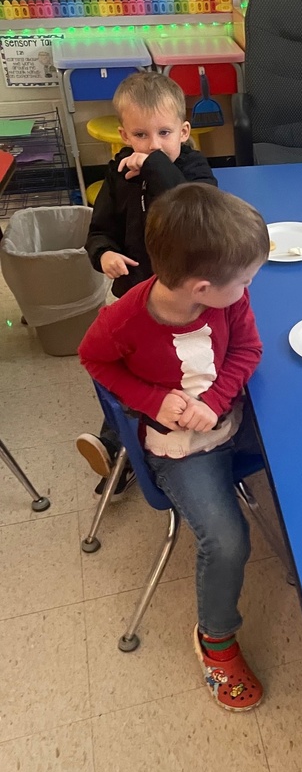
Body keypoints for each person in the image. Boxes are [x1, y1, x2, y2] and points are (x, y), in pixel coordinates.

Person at [79, 183, 270, 711]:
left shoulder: (227, 299)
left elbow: (249, 348)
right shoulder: (122, 321)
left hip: (230, 415)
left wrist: (215, 396)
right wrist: (151, 399)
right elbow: (95, 362)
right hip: (180, 448)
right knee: (227, 541)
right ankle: (216, 640)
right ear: (203, 287)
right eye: (247, 279)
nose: (251, 286)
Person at [76, 70, 218, 495]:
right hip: (138, 295)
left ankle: (161, 437)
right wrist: (104, 253)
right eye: (140, 135)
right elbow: (98, 229)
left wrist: (155, 164)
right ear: (123, 134)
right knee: (126, 367)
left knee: (174, 372)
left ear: (184, 132)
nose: (152, 144)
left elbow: (195, 209)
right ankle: (116, 450)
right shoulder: (119, 174)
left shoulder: (191, 166)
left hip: (187, 299)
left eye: (164, 133)